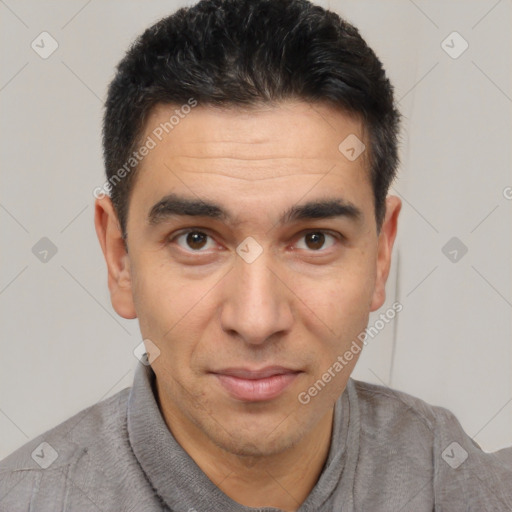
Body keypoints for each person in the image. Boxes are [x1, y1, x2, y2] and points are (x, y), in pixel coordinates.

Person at [1, 0, 511, 510]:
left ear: (381, 254)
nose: (257, 320)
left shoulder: (455, 482)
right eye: (196, 239)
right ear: (120, 258)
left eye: (314, 239)